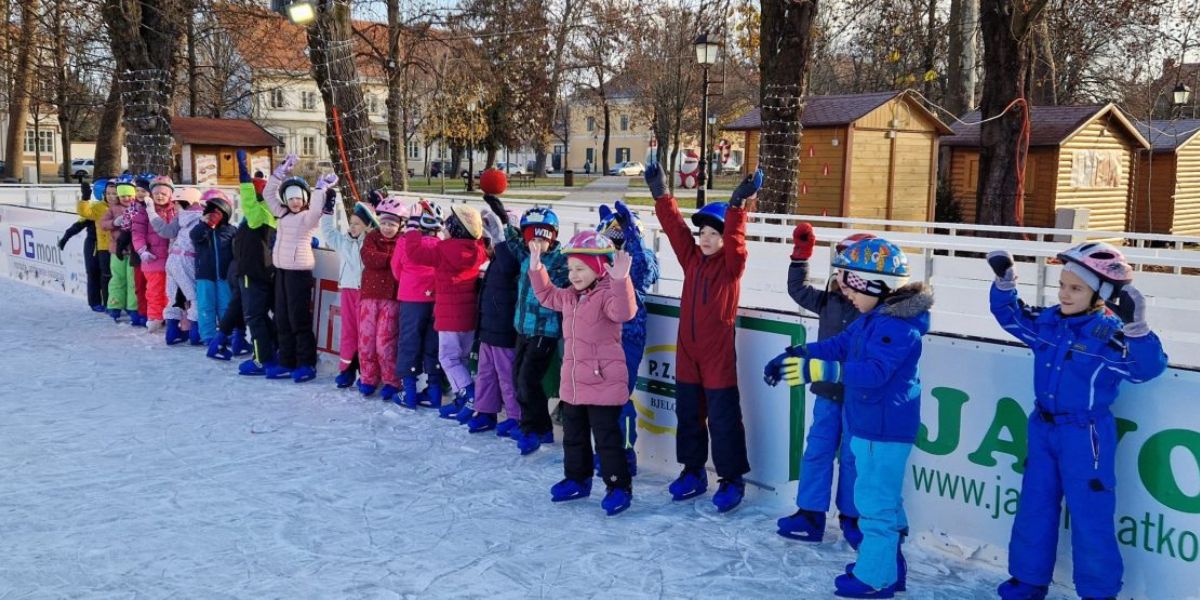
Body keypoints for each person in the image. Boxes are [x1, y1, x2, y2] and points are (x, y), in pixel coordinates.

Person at [986, 243, 1167, 600]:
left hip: (1085, 437)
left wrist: (1138, 328)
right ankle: (1028, 579)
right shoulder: (1050, 323)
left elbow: (1146, 369)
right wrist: (1005, 283)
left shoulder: (1109, 335)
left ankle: (1098, 592)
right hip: (1043, 429)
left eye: (1076, 288)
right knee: (1035, 506)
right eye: (1062, 286)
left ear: (1100, 293)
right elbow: (1012, 317)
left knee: (1090, 515)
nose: (1065, 294)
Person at [765, 237, 931, 599]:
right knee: (884, 503)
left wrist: (818, 369)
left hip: (883, 430)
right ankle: (889, 568)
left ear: (873, 284)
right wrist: (799, 352)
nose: (843, 290)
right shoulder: (874, 318)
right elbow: (840, 345)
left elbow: (873, 371)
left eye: (849, 282)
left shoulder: (897, 327)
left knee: (875, 507)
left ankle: (875, 579)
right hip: (872, 424)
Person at [644, 163, 758, 513]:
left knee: (723, 418)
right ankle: (693, 471)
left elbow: (737, 243)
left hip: (716, 355)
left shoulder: (730, 266)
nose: (706, 238)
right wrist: (661, 193)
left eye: (714, 233)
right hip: (687, 354)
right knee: (688, 414)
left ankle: (731, 478)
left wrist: (738, 207)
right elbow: (676, 229)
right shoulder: (692, 260)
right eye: (703, 232)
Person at [775, 226, 875, 546]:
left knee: (852, 457)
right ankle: (810, 513)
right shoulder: (828, 301)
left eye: (851, 273)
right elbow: (797, 289)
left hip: (860, 398)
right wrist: (801, 256)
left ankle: (852, 516)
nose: (844, 280)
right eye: (840, 271)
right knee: (817, 450)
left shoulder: (875, 312)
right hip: (827, 395)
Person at [529, 230, 637, 515]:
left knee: (606, 440)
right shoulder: (569, 297)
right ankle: (577, 479)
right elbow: (545, 296)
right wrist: (536, 268)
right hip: (575, 384)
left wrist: (620, 280)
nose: (573, 275)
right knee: (573, 436)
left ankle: (618, 486)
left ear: (599, 268)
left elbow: (625, 312)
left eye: (580, 269)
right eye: (571, 269)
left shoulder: (606, 296)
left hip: (603, 384)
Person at [401, 201, 487, 422]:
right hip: (468, 317)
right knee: (462, 358)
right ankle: (461, 398)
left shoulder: (443, 250)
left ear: (456, 230)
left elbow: (414, 253)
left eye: (447, 227)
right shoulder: (478, 250)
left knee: (448, 358)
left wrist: (412, 226)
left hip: (449, 317)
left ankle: (469, 395)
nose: (443, 231)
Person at [497, 202, 570, 456]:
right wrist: (505, 219)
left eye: (543, 238)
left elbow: (561, 287)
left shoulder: (560, 261)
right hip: (523, 328)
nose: (536, 244)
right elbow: (514, 241)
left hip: (545, 330)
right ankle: (541, 426)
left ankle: (533, 429)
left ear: (552, 238)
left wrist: (541, 265)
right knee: (518, 377)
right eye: (532, 238)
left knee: (528, 380)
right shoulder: (525, 255)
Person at [595, 201, 659, 476]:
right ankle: (604, 450)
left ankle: (623, 452)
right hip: (600, 338)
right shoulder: (601, 261)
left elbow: (645, 272)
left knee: (617, 398)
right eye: (610, 240)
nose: (614, 246)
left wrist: (631, 236)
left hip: (628, 339)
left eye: (619, 239)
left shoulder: (641, 257)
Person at [263, 154, 332, 383]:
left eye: (299, 198)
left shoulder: (306, 219)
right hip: (281, 271)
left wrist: (320, 189)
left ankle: (306, 363)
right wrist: (280, 171)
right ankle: (286, 361)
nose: (294, 202)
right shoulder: (281, 213)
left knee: (298, 318)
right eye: (290, 198)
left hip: (299, 273)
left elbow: (316, 211)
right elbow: (267, 194)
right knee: (281, 317)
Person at [463, 197, 522, 435]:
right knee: (486, 374)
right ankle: (486, 411)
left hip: (504, 330)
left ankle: (516, 416)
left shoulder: (513, 256)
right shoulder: (497, 257)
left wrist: (501, 238)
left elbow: (510, 266)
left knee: (507, 376)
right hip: (488, 328)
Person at [320, 185, 377, 388]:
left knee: (365, 333)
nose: (352, 227)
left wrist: (376, 207)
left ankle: (367, 372)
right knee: (348, 332)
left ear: (367, 226)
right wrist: (328, 209)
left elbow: (380, 231)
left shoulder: (370, 243)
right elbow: (327, 230)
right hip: (347, 291)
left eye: (357, 224)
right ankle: (346, 371)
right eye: (351, 223)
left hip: (366, 293)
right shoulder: (343, 242)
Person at [390, 201, 443, 408]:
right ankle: (434, 391)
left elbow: (396, 269)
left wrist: (409, 281)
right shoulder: (441, 245)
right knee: (433, 344)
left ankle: (409, 392)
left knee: (409, 343)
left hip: (412, 299)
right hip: (436, 301)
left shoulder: (405, 242)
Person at [232, 150, 280, 376]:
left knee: (255, 316)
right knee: (263, 316)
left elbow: (248, 197)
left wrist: (242, 172)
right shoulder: (270, 214)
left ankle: (262, 358)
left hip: (254, 273)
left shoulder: (258, 215)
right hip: (264, 272)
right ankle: (271, 350)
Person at [356, 196, 404, 400]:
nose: (387, 227)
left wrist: (391, 260)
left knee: (385, 343)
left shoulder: (402, 241)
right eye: (384, 223)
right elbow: (368, 257)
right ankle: (368, 378)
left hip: (391, 298)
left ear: (399, 225)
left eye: (392, 224)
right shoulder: (372, 238)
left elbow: (402, 264)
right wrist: (391, 259)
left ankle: (391, 380)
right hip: (369, 297)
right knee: (366, 340)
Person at [147, 185, 203, 345]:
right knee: (194, 297)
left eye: (178, 203)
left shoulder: (181, 217)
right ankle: (195, 333)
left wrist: (152, 213)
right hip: (187, 259)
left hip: (172, 258)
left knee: (174, 296)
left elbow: (166, 232)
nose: (175, 206)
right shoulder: (201, 218)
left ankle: (172, 333)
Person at [189, 189, 238, 347]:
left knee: (226, 305)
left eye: (218, 212)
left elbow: (238, 249)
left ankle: (227, 333)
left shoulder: (231, 230)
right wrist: (206, 224)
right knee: (205, 306)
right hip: (205, 275)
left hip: (224, 276)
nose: (214, 215)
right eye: (211, 211)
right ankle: (208, 335)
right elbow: (195, 237)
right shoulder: (200, 229)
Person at [59, 180, 105, 312]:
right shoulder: (95, 210)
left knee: (107, 275)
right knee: (93, 273)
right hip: (93, 245)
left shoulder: (116, 208)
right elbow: (78, 225)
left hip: (108, 246)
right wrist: (65, 238)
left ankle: (109, 302)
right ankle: (95, 302)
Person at [101, 178, 141, 325]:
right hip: (116, 250)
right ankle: (115, 304)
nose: (126, 199)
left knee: (132, 280)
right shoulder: (112, 209)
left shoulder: (138, 208)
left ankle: (133, 306)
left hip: (133, 250)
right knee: (117, 278)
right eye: (123, 196)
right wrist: (113, 223)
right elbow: (102, 224)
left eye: (129, 195)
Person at [77, 177, 118, 312]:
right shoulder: (99, 207)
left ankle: (116, 303)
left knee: (116, 277)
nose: (111, 197)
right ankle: (104, 303)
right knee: (104, 276)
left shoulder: (123, 207)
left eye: (114, 194)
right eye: (108, 194)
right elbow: (84, 212)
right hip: (104, 248)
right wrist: (85, 198)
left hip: (120, 248)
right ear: (104, 194)